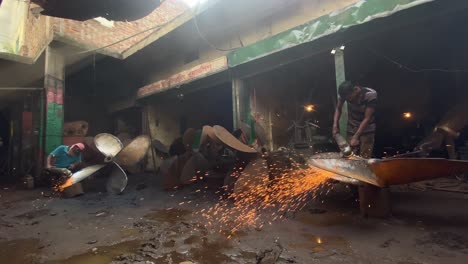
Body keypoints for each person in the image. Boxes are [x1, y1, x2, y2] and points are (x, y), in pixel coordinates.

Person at [333, 81, 377, 158]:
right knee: (348, 155)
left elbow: (367, 118)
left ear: (355, 90)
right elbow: (338, 109)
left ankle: (364, 168)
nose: (349, 101)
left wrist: (356, 137)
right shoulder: (344, 95)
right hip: (352, 126)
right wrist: (335, 125)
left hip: (367, 128)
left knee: (365, 156)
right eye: (347, 99)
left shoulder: (370, 94)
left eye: (350, 98)